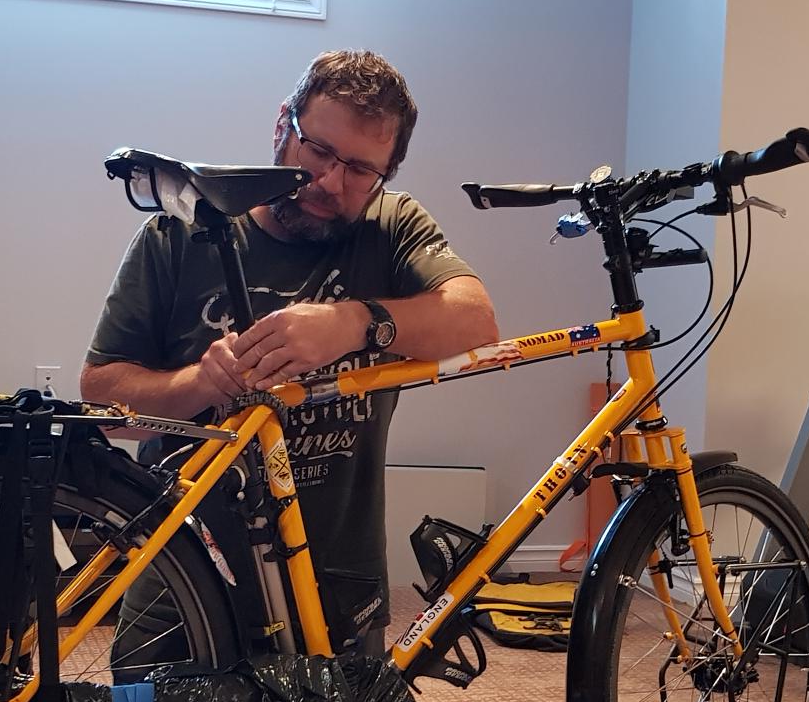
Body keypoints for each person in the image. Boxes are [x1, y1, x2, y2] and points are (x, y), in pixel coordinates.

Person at [81, 49, 498, 652]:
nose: (331, 182)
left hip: (337, 585)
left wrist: (354, 322)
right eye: (318, 150)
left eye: (361, 169)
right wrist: (201, 383)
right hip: (183, 582)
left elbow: (476, 322)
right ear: (284, 125)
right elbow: (101, 402)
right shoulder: (176, 234)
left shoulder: (391, 225)